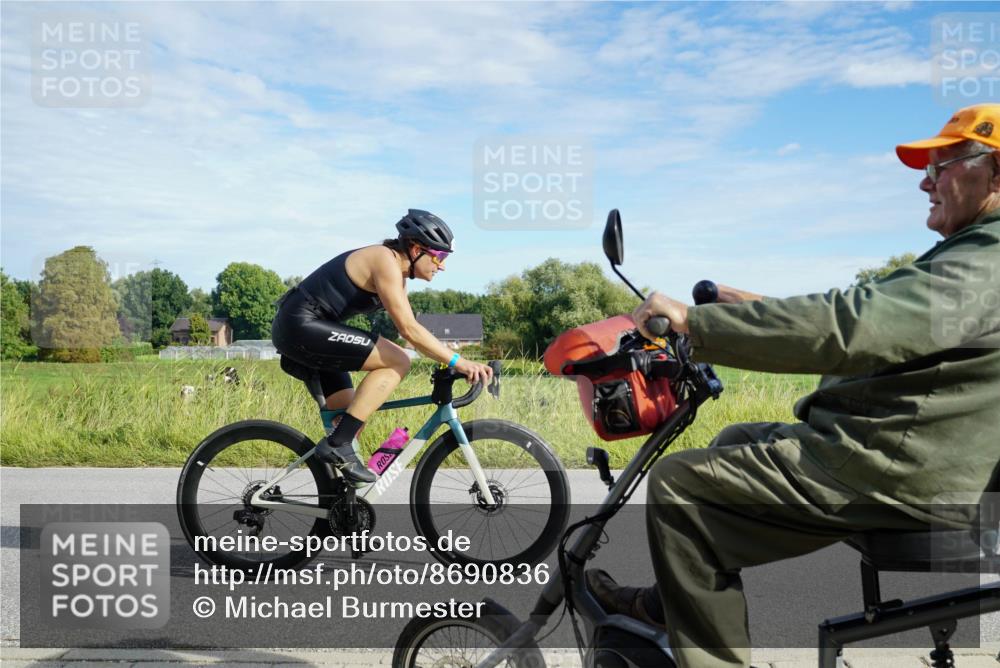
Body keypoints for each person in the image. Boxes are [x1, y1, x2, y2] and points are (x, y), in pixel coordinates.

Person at [587, 103, 1000, 667]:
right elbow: (881, 321)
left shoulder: (987, 260)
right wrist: (750, 306)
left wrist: (695, 322)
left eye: (944, 165)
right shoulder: (973, 253)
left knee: (679, 487)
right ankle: (670, 606)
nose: (926, 182)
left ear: (995, 171)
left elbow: (856, 324)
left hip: (899, 466)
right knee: (736, 438)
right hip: (906, 451)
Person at [271, 209, 493, 484]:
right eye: (440, 256)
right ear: (416, 249)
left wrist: (450, 359)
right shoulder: (384, 260)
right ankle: (337, 446)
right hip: (301, 326)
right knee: (399, 361)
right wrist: (458, 361)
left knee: (350, 419)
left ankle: (339, 502)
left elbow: (414, 327)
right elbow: (408, 330)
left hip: (311, 331)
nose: (442, 265)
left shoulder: (397, 274)